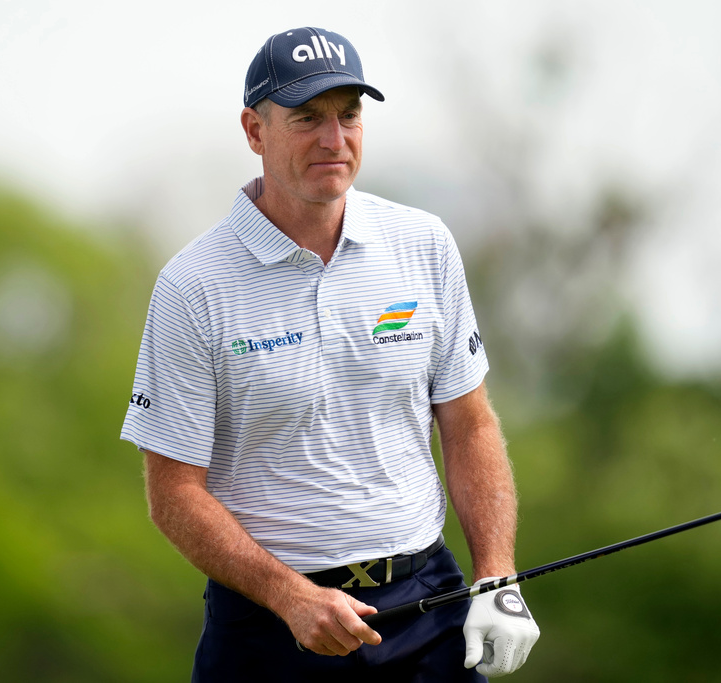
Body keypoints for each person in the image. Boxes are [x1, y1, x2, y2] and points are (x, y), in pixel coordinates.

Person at [121, 26, 539, 681]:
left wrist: (495, 575)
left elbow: (469, 421)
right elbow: (173, 492)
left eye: (348, 116)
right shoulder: (194, 284)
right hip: (269, 626)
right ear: (254, 131)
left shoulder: (422, 245)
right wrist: (290, 595)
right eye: (308, 118)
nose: (333, 139)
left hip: (426, 606)